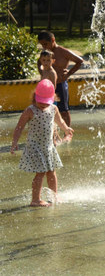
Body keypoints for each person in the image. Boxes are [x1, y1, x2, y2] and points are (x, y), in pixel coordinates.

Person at [10, 79, 74, 207]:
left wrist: (66, 129)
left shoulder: (53, 108)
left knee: (51, 171)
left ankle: (54, 195)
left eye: (46, 102)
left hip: (48, 147)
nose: (43, 105)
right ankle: (35, 199)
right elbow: (19, 127)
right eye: (41, 102)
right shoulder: (30, 110)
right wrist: (14, 142)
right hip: (35, 147)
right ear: (35, 97)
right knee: (41, 172)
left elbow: (60, 121)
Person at [37, 32, 84, 127]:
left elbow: (80, 61)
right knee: (46, 109)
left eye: (46, 44)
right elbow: (39, 62)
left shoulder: (62, 52)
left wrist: (69, 73)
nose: (44, 47)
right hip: (48, 87)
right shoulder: (46, 53)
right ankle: (52, 134)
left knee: (63, 110)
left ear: (53, 40)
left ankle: (68, 134)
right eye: (42, 45)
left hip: (60, 84)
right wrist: (41, 72)